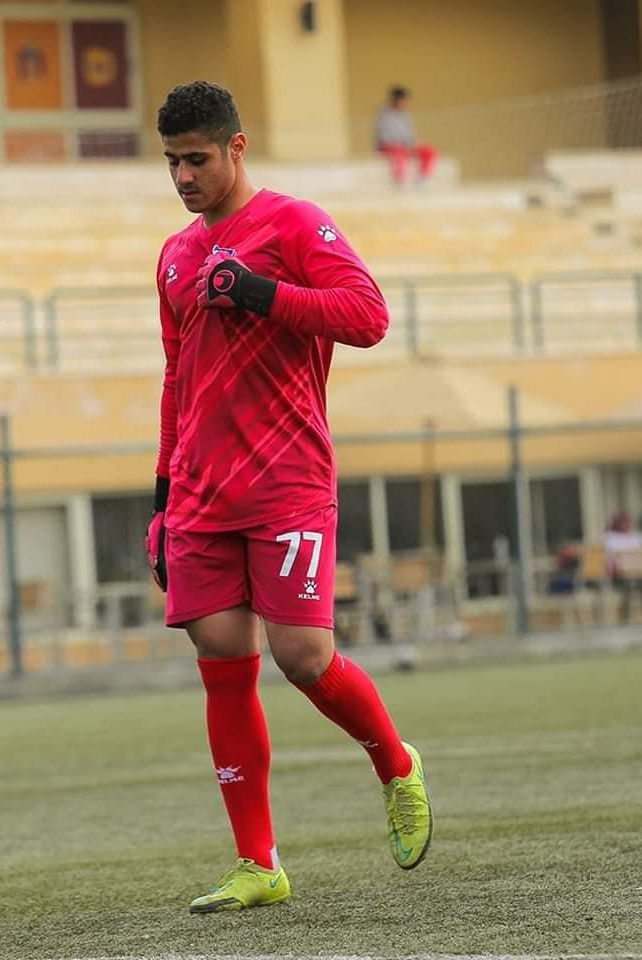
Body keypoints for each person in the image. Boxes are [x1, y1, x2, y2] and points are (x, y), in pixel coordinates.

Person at [145, 81, 432, 914]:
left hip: (286, 481)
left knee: (302, 658)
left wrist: (260, 292)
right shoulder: (173, 256)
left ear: (235, 148)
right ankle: (258, 864)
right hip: (199, 494)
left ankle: (396, 766)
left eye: (196, 159)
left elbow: (367, 316)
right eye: (171, 162)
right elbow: (175, 379)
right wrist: (160, 498)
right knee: (220, 660)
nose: (183, 177)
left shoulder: (295, 224)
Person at [374, 85, 438, 186]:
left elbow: (410, 134)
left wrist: (412, 145)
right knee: (399, 152)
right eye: (403, 100)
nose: (405, 103)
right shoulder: (383, 114)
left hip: (407, 146)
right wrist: (402, 144)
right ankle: (401, 181)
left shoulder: (405, 115)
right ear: (395, 99)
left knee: (428, 150)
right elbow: (384, 135)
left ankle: (423, 178)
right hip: (389, 146)